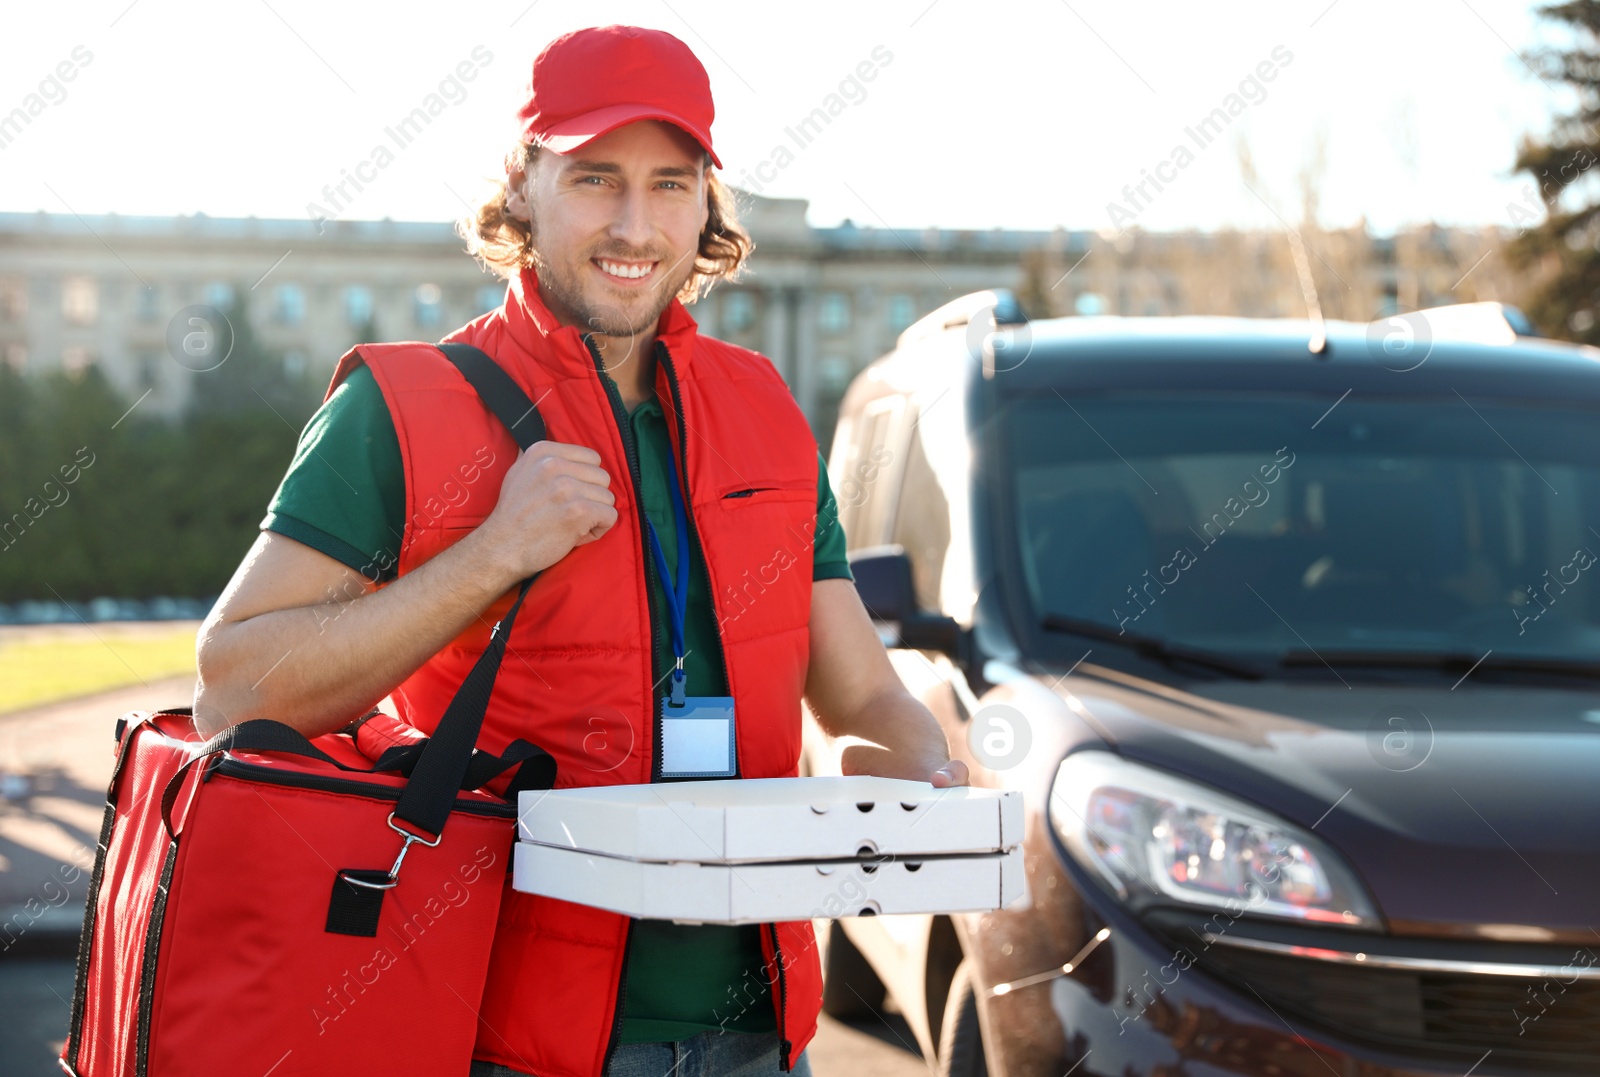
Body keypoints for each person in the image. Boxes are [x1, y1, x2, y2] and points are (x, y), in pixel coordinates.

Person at [193, 23, 967, 1077]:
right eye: (596, 178)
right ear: (523, 188)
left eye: (672, 183)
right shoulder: (401, 406)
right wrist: (493, 551)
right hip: (501, 1036)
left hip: (757, 1030)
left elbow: (858, 696)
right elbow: (234, 691)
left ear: (707, 205)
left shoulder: (766, 410)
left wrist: (921, 765)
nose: (636, 226)